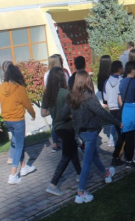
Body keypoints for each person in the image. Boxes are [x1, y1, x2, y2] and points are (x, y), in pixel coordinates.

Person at [60, 71, 121, 203]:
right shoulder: (89, 97)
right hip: (91, 132)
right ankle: (80, 192)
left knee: (94, 156)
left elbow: (63, 114)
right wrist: (118, 123)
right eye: (89, 79)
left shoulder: (72, 97)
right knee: (87, 162)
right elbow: (102, 113)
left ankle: (106, 173)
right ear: (85, 80)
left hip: (80, 133)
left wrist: (74, 116)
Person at [0, 63, 36, 184]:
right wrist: (33, 115)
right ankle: (13, 175)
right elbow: (27, 105)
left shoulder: (0, 88)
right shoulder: (20, 88)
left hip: (7, 121)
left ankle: (24, 167)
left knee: (17, 142)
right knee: (19, 146)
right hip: (18, 120)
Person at [41, 67, 82, 196]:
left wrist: (54, 112)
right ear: (61, 78)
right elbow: (73, 112)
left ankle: (80, 174)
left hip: (57, 128)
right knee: (66, 156)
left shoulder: (47, 94)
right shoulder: (66, 93)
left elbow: (43, 113)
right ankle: (53, 183)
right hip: (67, 127)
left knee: (73, 151)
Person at [119, 61, 135, 168]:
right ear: (133, 70)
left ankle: (128, 159)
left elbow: (119, 98)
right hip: (134, 111)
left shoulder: (122, 82)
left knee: (129, 137)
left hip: (125, 112)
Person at [105, 61, 125, 166]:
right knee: (123, 134)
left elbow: (105, 97)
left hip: (111, 109)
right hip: (120, 108)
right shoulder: (122, 81)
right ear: (119, 69)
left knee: (120, 132)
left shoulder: (107, 81)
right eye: (122, 67)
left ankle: (119, 154)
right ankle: (116, 156)